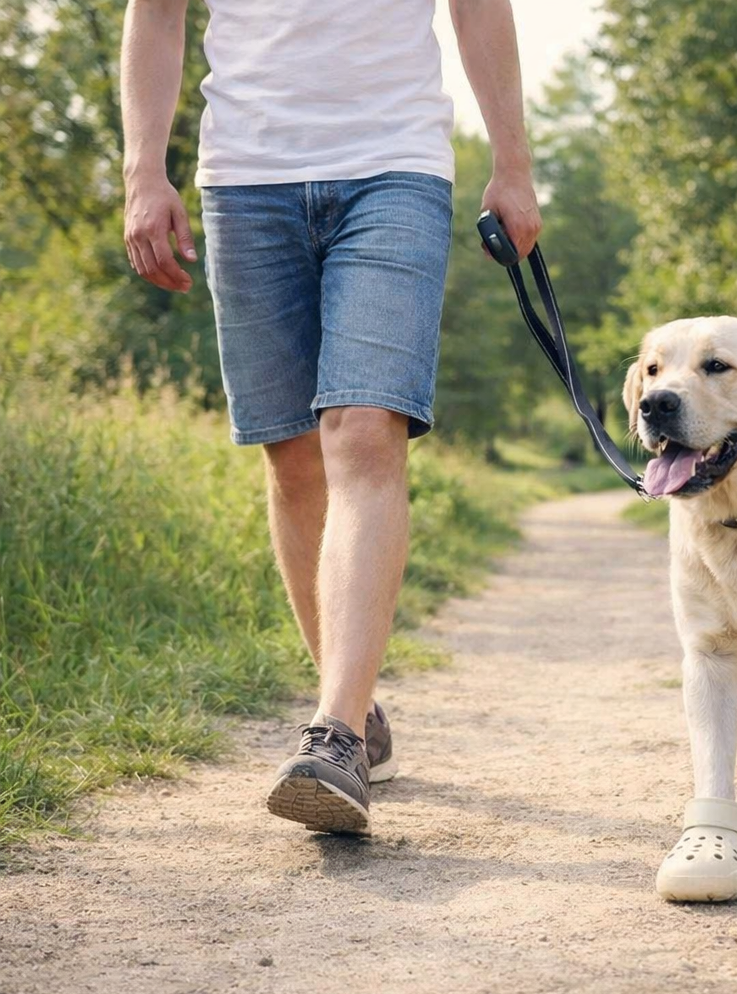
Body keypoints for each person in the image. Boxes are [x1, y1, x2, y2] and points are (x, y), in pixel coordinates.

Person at [120, 0, 542, 836]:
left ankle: (336, 735)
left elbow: (478, 8)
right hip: (244, 176)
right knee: (292, 456)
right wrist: (143, 171)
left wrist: (513, 163)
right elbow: (157, 14)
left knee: (364, 431)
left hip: (396, 167)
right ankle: (351, 709)